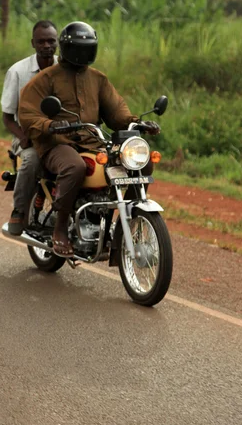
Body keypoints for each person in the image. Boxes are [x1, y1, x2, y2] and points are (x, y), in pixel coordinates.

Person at [18, 21, 160, 257]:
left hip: (93, 141)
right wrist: (51, 125)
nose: (84, 53)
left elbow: (116, 112)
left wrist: (136, 122)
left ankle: (131, 221)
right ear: (67, 49)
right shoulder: (46, 78)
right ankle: (60, 228)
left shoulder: (97, 78)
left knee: (141, 162)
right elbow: (27, 113)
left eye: (89, 48)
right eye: (79, 49)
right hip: (57, 143)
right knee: (75, 167)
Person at [1, 20, 58, 235]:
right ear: (32, 43)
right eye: (41, 41)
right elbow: (7, 117)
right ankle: (19, 210)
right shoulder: (17, 71)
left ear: (58, 43)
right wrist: (22, 137)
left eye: (51, 41)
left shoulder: (65, 68)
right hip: (27, 137)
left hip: (60, 135)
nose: (46, 46)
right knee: (32, 159)